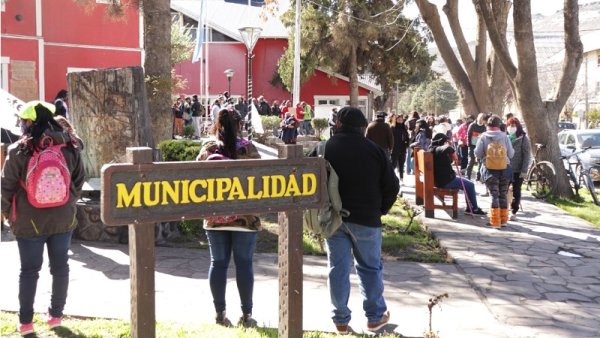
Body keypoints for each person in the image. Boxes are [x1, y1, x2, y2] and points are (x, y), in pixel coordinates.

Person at [1, 101, 84, 336]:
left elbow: (5, 187)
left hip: (28, 221)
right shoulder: (70, 146)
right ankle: (55, 316)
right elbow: (79, 179)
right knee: (61, 268)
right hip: (63, 219)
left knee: (29, 271)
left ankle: (26, 323)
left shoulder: (18, 150)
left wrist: (9, 215)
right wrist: (68, 202)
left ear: (28, 122)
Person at [324, 106, 399, 335]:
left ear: (338, 124)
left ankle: (340, 321)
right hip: (367, 219)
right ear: (362, 127)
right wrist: (381, 209)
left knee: (337, 269)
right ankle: (375, 317)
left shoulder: (327, 147)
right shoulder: (374, 150)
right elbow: (392, 185)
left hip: (335, 217)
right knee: (370, 268)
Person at [196, 109, 261, 328]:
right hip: (246, 217)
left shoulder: (208, 149)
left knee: (218, 263)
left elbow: (194, 179)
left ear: (217, 124)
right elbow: (262, 180)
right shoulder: (249, 148)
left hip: (215, 217)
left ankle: (219, 313)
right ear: (240, 125)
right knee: (244, 264)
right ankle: (247, 315)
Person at [429, 133, 486, 215]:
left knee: (468, 183)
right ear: (441, 141)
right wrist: (453, 152)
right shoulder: (437, 149)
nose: (447, 143)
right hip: (446, 181)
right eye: (446, 141)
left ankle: (472, 207)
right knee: (470, 185)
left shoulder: (433, 149)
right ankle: (473, 209)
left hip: (441, 179)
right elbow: (448, 148)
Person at [474, 115, 515, 228]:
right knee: (503, 194)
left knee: (494, 195)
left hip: (489, 170)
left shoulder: (483, 137)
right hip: (505, 169)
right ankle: (503, 220)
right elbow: (511, 154)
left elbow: (477, 153)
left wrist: (485, 157)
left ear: (488, 125)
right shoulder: (505, 136)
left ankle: (495, 221)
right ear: (499, 125)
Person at [506, 117, 531, 220]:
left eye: (513, 125)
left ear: (518, 126)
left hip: (518, 169)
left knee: (516, 190)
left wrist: (524, 170)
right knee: (504, 190)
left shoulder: (523, 138)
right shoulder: (505, 137)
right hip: (506, 168)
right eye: (509, 125)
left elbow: (527, 155)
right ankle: (503, 209)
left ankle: (514, 211)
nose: (511, 128)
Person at [466, 113, 488, 181]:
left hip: (481, 146)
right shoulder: (472, 125)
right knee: (471, 161)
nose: (480, 119)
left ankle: (478, 176)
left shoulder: (485, 127)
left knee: (480, 161)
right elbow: (468, 135)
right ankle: (468, 176)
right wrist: (469, 144)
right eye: (479, 117)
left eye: (482, 118)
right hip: (472, 146)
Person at [389, 113, 409, 180]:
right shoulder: (393, 128)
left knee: (401, 164)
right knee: (393, 164)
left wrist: (407, 144)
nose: (400, 120)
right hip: (394, 149)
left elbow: (407, 138)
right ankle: (390, 178)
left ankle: (401, 178)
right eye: (399, 119)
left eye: (401, 119)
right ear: (396, 120)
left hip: (402, 149)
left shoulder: (404, 128)